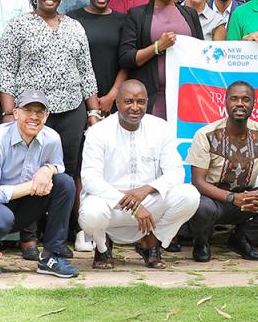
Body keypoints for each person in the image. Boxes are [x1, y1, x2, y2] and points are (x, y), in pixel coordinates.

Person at [0, 0, 101, 237]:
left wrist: (93, 111)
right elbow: (6, 71)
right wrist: (10, 114)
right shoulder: (18, 25)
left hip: (71, 111)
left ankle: (61, 233)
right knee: (27, 172)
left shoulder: (74, 26)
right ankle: (28, 236)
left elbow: (86, 71)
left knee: (67, 171)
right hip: (32, 114)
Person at [79, 80, 201, 269]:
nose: (135, 108)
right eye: (128, 101)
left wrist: (145, 190)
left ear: (147, 102)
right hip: (111, 205)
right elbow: (90, 179)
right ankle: (103, 248)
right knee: (91, 213)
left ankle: (151, 243)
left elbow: (176, 171)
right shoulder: (98, 132)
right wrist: (131, 204)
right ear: (117, 103)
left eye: (141, 102)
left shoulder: (160, 128)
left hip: (149, 204)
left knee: (189, 196)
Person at [186, 81, 258, 260]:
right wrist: (232, 198)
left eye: (246, 99)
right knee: (201, 205)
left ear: (254, 104)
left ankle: (242, 238)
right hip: (215, 201)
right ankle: (201, 242)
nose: (240, 103)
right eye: (234, 99)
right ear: (225, 102)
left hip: (246, 200)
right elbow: (198, 182)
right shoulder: (205, 134)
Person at [0, 92, 79, 279]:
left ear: (46, 116)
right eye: (28, 110)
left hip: (22, 204)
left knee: (65, 183)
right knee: (2, 219)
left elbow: (59, 165)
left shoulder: (51, 138)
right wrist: (32, 186)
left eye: (39, 112)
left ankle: (51, 256)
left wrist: (48, 169)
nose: (34, 117)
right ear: (16, 113)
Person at [120, 0, 205, 118]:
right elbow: (125, 58)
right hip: (152, 97)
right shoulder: (137, 15)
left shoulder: (190, 14)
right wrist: (158, 47)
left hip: (186, 96)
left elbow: (201, 54)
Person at [70, 0, 129, 120]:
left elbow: (127, 61)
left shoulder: (123, 21)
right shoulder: (72, 20)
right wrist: (90, 101)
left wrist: (112, 95)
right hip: (78, 100)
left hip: (114, 99)